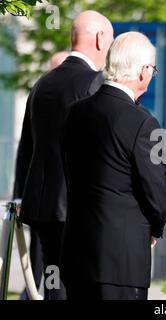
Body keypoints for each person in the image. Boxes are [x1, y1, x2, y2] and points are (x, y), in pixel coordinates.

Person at [61, 31, 166, 300]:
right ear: (143, 71)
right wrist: (156, 226)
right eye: (153, 69)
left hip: (77, 253)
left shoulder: (75, 112)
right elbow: (158, 189)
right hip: (121, 260)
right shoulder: (142, 122)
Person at [14, 11, 114, 300]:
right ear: (99, 38)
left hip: (43, 205)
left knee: (54, 283)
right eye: (109, 39)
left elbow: (28, 148)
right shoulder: (94, 83)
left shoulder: (42, 84)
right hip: (77, 207)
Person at [14, 50, 71, 300]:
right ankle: (34, 292)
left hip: (54, 201)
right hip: (45, 200)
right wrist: (19, 195)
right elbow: (26, 149)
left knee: (54, 270)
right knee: (43, 263)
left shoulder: (41, 92)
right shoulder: (40, 95)